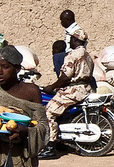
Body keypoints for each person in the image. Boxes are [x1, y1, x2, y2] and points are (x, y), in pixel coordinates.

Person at [41, 28, 95, 156]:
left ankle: (50, 146)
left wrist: (51, 86)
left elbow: (66, 76)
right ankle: (61, 140)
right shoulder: (87, 55)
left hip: (73, 90)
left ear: (76, 40)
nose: (69, 41)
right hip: (85, 88)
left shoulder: (73, 55)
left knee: (49, 112)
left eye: (71, 38)